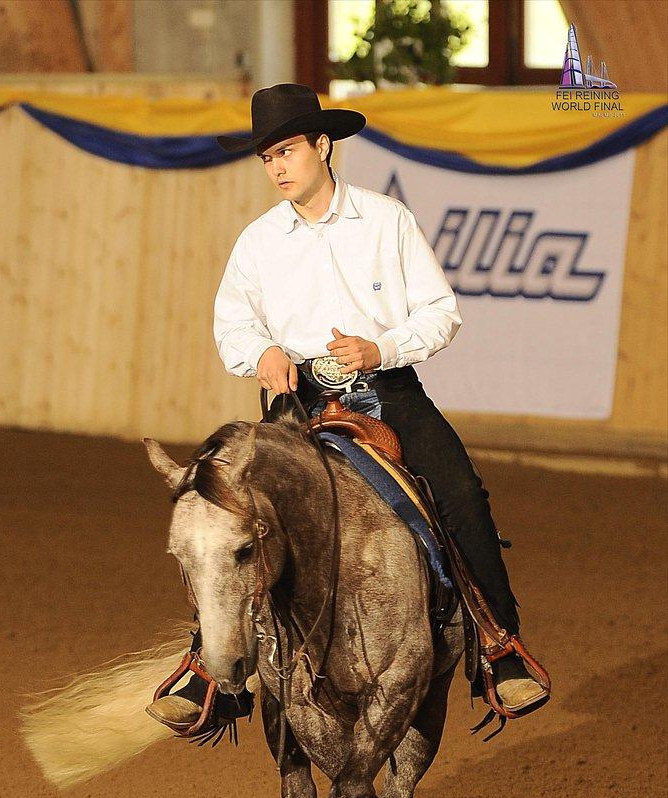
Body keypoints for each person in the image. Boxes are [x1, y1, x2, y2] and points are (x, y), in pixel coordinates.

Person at [147, 83, 549, 729]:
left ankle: (499, 645)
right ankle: (213, 668)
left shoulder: (387, 220)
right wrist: (264, 353)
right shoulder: (256, 243)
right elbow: (232, 326)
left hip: (386, 392)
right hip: (295, 401)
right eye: (267, 158)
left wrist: (380, 345)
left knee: (462, 496)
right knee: (226, 515)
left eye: (286, 151)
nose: (277, 167)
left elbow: (442, 312)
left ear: (323, 146)